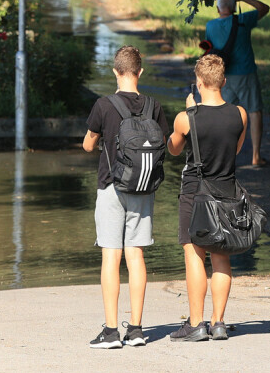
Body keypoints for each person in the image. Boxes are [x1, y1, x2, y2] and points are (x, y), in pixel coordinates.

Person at [82, 45, 170, 349]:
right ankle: (136, 330)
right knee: (136, 255)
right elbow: (166, 144)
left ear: (115, 71)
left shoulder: (104, 105)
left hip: (111, 186)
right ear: (140, 72)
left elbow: (88, 145)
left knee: (111, 255)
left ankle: (110, 332)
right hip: (144, 188)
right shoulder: (154, 106)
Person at [166, 54, 248, 342]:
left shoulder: (187, 118)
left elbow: (173, 150)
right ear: (223, 82)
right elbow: (235, 150)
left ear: (198, 83)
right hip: (226, 190)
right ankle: (219, 323)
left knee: (194, 254)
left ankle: (197, 324)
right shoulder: (240, 114)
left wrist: (191, 112)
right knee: (221, 256)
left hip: (195, 192)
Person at [205, 0, 270, 167]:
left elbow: (209, 49)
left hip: (223, 76)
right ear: (233, 8)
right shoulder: (243, 20)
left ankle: (220, 156)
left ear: (218, 8)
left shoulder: (210, 26)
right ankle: (256, 156)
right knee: (254, 111)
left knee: (223, 114)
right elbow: (264, 8)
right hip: (246, 73)